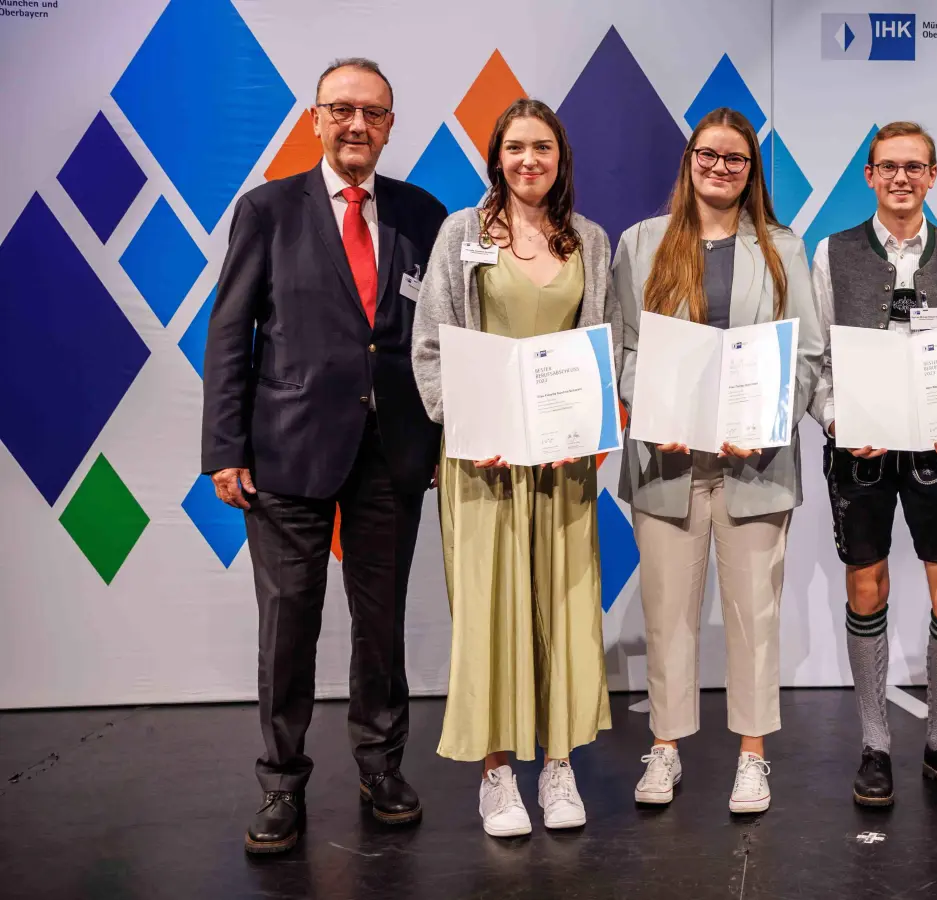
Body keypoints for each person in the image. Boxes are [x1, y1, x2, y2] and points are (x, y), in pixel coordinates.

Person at [201, 58, 447, 854]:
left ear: (390, 127)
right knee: (288, 627)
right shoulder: (267, 210)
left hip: (393, 454)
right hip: (286, 453)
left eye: (373, 113)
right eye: (341, 109)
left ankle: (382, 768)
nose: (356, 125)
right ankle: (281, 782)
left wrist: (440, 438)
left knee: (381, 625)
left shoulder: (424, 214)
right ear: (314, 120)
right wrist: (224, 449)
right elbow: (229, 334)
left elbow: (439, 340)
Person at [609, 108, 822, 814]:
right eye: (709, 155)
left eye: (735, 159)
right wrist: (654, 409)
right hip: (667, 465)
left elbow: (807, 354)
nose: (721, 168)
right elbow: (623, 347)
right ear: (690, 160)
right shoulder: (642, 243)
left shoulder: (783, 248)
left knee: (753, 616)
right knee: (667, 613)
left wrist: (769, 420)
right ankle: (666, 746)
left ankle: (752, 756)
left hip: (755, 464)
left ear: (751, 170)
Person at [411, 99, 613, 835]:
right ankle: (496, 776)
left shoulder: (590, 239)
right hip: (483, 458)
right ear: (496, 156)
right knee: (489, 610)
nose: (530, 160)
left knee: (565, 607)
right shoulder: (461, 233)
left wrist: (591, 425)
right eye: (516, 147)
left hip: (561, 461)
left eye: (543, 148)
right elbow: (430, 343)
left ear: (561, 159)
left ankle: (558, 767)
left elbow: (602, 339)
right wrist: (463, 424)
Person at [809, 121, 937, 807]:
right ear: (869, 175)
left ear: (933, 175)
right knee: (868, 589)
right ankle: (875, 745)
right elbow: (818, 359)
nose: (901, 178)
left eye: (915, 166)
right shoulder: (833, 252)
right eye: (888, 166)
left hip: (934, 451)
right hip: (858, 452)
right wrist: (836, 420)